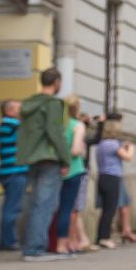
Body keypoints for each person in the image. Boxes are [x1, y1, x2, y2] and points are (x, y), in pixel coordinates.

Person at [17, 68, 70, 261]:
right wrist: (66, 158)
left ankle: (32, 245)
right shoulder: (53, 104)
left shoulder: (29, 103)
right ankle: (35, 248)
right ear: (56, 82)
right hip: (48, 156)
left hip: (31, 157)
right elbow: (55, 131)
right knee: (45, 203)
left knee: (35, 202)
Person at [54, 98, 93, 255]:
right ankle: (63, 245)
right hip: (74, 169)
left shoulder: (57, 125)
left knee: (56, 208)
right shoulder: (77, 125)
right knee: (68, 209)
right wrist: (69, 161)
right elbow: (76, 150)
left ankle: (67, 242)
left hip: (55, 170)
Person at [93, 114, 134, 250]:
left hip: (102, 176)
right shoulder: (113, 144)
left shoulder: (101, 144)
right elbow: (127, 157)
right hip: (113, 177)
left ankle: (100, 237)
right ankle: (105, 238)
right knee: (110, 210)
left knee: (105, 209)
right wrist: (130, 148)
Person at [0, 99, 25, 253]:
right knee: (12, 208)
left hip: (8, 170)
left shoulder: (5, 125)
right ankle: (8, 241)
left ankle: (8, 239)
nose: (22, 111)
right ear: (8, 111)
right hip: (15, 170)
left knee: (11, 206)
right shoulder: (12, 124)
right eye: (19, 108)